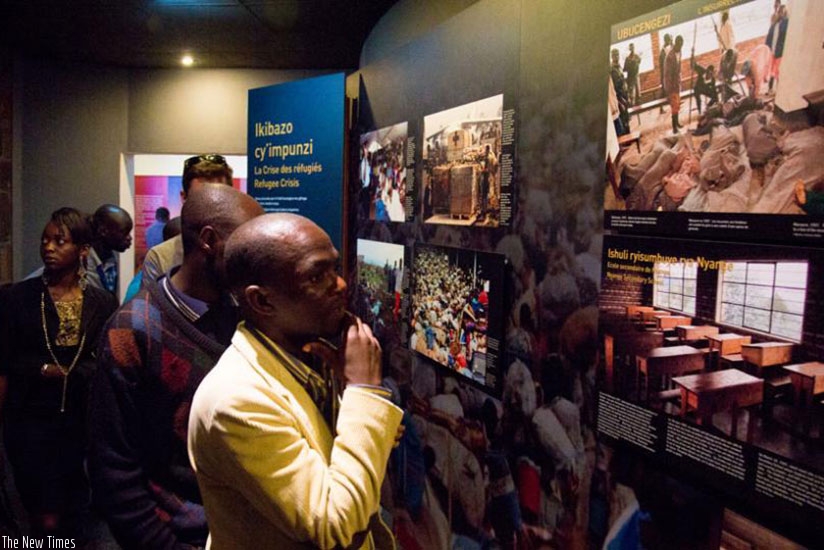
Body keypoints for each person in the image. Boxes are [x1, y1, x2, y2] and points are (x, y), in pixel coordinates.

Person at [188, 213, 404, 549]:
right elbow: (337, 528)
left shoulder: (307, 356)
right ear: (262, 300)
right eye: (318, 276)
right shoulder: (235, 400)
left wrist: (355, 410)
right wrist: (365, 394)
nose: (341, 285)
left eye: (335, 268)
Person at [88, 185, 264, 549]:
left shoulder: (245, 313)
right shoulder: (133, 330)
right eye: (246, 244)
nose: (258, 256)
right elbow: (116, 473)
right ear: (209, 241)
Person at [0, 208, 118, 540]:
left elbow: (104, 358)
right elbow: (6, 359)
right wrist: (40, 369)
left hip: (78, 425)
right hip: (29, 421)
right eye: (45, 240)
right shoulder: (17, 298)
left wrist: (80, 373)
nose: (49, 247)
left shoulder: (101, 302)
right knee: (37, 513)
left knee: (73, 510)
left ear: (82, 250)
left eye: (59, 241)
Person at [141, 154, 233, 286]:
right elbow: (149, 305)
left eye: (219, 195)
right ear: (184, 197)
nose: (211, 204)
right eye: (200, 197)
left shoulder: (244, 252)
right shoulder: (161, 257)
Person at [765, 4, 788, 93]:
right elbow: (769, 38)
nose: (781, 13)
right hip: (773, 52)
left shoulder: (784, 23)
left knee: (778, 71)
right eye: (780, 12)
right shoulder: (775, 25)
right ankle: (770, 88)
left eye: (782, 12)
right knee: (772, 71)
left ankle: (779, 89)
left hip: (779, 52)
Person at [664, 35, 684, 133]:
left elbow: (679, 68)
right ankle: (674, 127)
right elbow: (667, 74)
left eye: (682, 46)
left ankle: (677, 123)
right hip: (671, 85)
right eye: (679, 45)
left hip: (677, 83)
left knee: (677, 105)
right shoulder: (669, 56)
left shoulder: (680, 52)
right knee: (674, 106)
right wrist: (669, 89)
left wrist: (680, 81)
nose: (681, 47)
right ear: (676, 43)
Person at [610, 48, 630, 136]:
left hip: (624, 94)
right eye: (614, 55)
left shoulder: (619, 66)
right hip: (619, 97)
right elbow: (615, 87)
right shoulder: (611, 69)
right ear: (611, 56)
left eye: (617, 54)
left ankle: (628, 135)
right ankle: (625, 137)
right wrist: (620, 100)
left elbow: (623, 81)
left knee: (626, 117)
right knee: (622, 117)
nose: (616, 56)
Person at [658, 33, 673, 113]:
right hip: (665, 74)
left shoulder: (668, 47)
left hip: (669, 73)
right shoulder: (663, 50)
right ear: (666, 40)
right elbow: (663, 64)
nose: (670, 40)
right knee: (664, 90)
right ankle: (661, 107)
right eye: (669, 39)